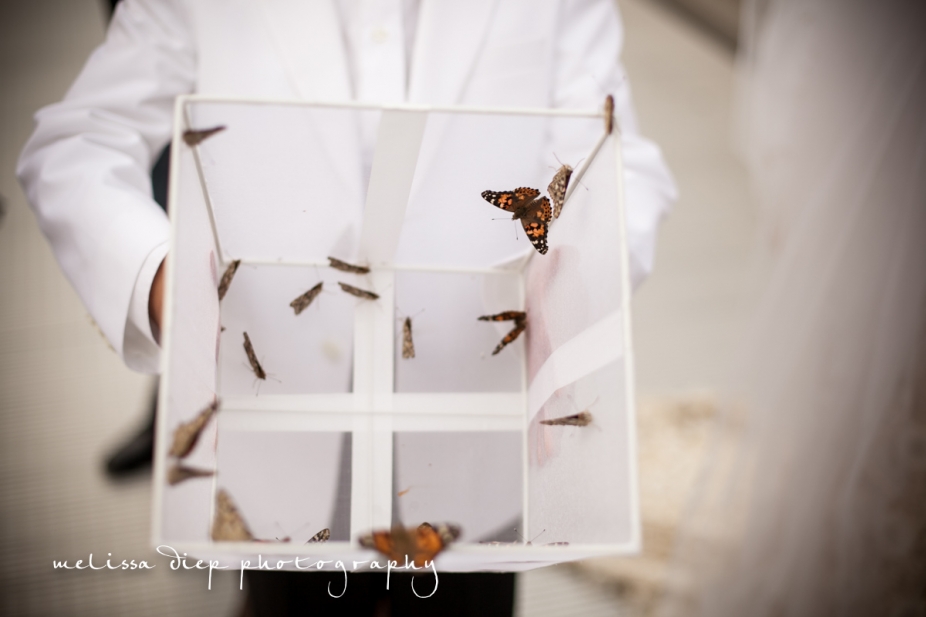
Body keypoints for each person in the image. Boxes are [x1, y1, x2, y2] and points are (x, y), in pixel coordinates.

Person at [18, 0, 677, 613]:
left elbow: (616, 153)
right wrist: (162, 282)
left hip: (475, 399)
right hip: (279, 396)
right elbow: (79, 142)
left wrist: (578, 272)